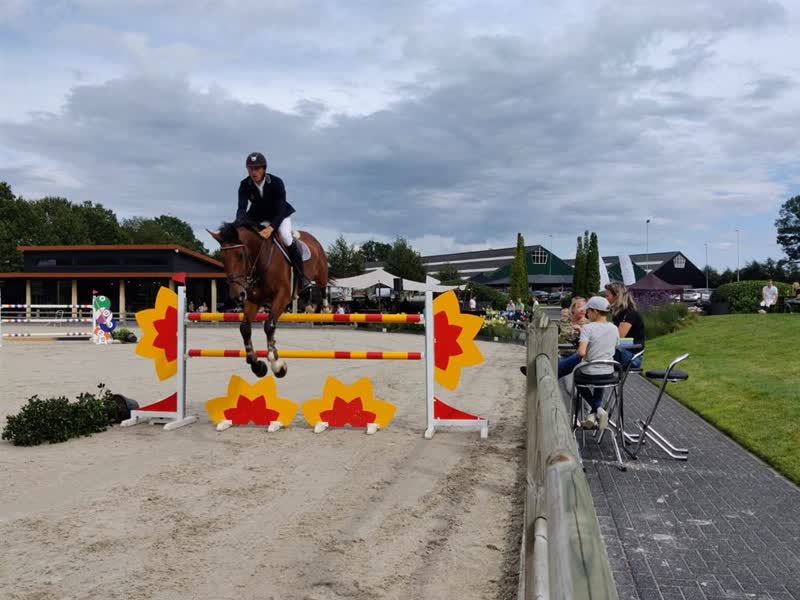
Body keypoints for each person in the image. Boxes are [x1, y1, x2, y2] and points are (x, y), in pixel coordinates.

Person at [236, 152, 309, 290]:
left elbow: (280, 210)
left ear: (264, 169)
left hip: (279, 215)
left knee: (286, 237)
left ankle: (301, 276)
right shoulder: (244, 184)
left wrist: (271, 228)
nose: (253, 172)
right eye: (250, 169)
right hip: (258, 216)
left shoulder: (276, 182)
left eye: (257, 168)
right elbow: (241, 209)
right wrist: (239, 227)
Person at [570, 296, 619, 430]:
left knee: (576, 374)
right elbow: (615, 346)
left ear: (595, 312)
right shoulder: (614, 328)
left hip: (590, 372)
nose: (586, 313)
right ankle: (593, 414)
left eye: (589, 311)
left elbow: (581, 352)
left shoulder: (587, 328)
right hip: (608, 372)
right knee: (600, 378)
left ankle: (597, 408)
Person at [605, 282, 644, 370]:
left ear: (617, 296)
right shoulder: (619, 314)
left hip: (632, 358)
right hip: (624, 352)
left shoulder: (629, 314)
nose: (605, 299)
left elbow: (618, 338)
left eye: (607, 296)